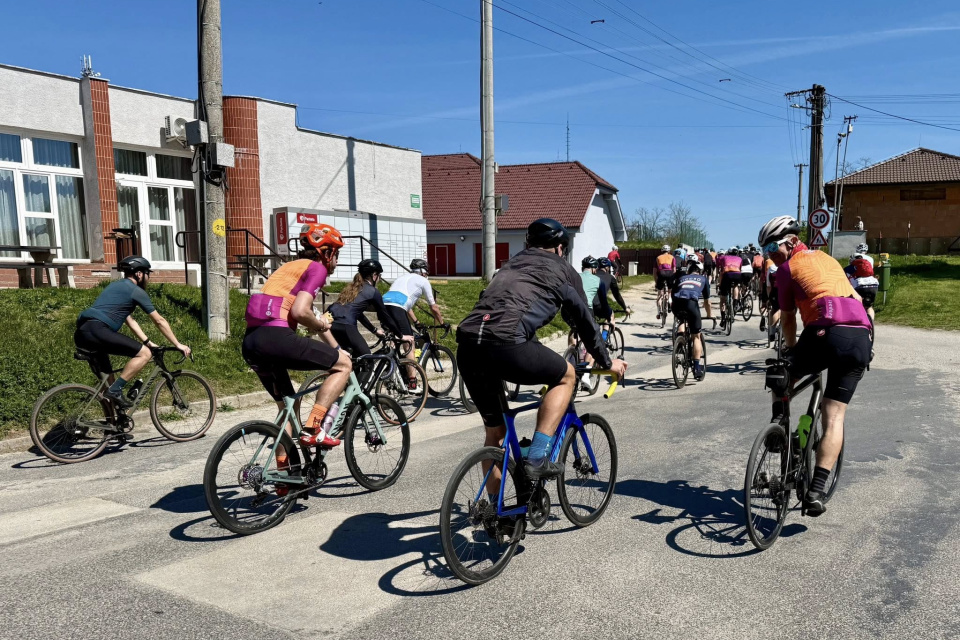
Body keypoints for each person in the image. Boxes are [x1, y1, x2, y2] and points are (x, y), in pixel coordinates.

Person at [457, 218, 628, 481]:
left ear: (529, 244)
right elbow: (583, 320)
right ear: (561, 248)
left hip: (469, 345)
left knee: (495, 436)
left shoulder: (510, 265)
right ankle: (536, 458)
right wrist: (606, 362)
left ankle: (495, 516)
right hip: (508, 343)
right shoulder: (563, 270)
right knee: (567, 375)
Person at [759, 215, 871, 517]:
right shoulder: (829, 260)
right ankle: (816, 493)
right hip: (860, 335)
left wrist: (793, 352)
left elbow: (786, 318)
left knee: (781, 375)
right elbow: (858, 298)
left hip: (824, 330)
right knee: (833, 417)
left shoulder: (787, 268)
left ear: (793, 241)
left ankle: (777, 429)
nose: (769, 253)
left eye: (772, 245)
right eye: (764, 249)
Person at [242, 223, 351, 462]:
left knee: (288, 406)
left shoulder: (289, 269)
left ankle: (283, 476)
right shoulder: (316, 269)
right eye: (336, 255)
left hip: (252, 342)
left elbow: (311, 316)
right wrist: (338, 351)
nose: (336, 262)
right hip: (276, 339)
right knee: (343, 366)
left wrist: (336, 348)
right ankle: (313, 429)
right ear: (327, 252)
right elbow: (303, 313)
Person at [74, 256, 192, 408]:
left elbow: (130, 321)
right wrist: (178, 344)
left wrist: (147, 342)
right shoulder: (135, 291)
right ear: (139, 274)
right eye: (147, 274)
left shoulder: (114, 287)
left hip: (83, 332)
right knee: (144, 354)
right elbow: (159, 321)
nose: (148, 278)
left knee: (108, 384)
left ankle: (113, 428)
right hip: (99, 331)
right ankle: (117, 390)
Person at [328, 259, 413, 370]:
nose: (379, 279)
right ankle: (358, 387)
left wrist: (374, 330)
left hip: (332, 323)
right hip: (346, 325)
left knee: (352, 360)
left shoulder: (352, 288)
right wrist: (401, 335)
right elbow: (384, 316)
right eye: (379, 275)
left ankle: (348, 384)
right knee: (367, 360)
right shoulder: (373, 291)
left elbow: (358, 314)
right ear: (374, 275)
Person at [671, 259, 712, 380]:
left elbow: (673, 294)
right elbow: (707, 302)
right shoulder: (703, 279)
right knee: (696, 336)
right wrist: (710, 315)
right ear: (700, 271)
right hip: (691, 304)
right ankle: (697, 368)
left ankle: (680, 340)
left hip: (677, 304)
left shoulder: (681, 278)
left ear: (689, 271)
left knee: (681, 318)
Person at [384, 258, 443, 335]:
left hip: (383, 304)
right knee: (409, 339)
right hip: (397, 307)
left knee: (394, 335)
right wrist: (442, 323)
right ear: (423, 272)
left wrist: (416, 322)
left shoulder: (401, 277)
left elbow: (405, 305)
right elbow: (433, 307)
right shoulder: (423, 280)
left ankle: (391, 346)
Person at [846, 256, 879, 323]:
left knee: (856, 305)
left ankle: (859, 324)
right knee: (869, 306)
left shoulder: (851, 267)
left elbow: (844, 278)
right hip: (874, 285)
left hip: (860, 286)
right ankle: (871, 325)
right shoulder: (867, 265)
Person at [717, 248, 742, 326]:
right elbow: (740, 268)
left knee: (722, 299)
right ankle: (735, 302)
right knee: (735, 286)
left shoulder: (724, 257)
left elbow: (718, 261)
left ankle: (723, 318)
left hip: (727, 274)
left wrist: (719, 284)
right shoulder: (739, 258)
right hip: (737, 274)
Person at [759, 252, 780, 343]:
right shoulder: (789, 265)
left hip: (774, 291)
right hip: (786, 291)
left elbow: (768, 286)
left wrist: (769, 298)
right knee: (789, 310)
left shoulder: (771, 267)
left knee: (774, 309)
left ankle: (771, 332)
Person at [653, 244, 677, 318]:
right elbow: (674, 270)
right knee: (669, 293)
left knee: (659, 294)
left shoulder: (658, 257)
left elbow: (654, 271)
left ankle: (658, 312)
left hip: (661, 274)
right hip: (670, 274)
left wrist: (656, 281)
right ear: (669, 251)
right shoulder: (672, 257)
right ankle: (669, 303)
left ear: (662, 250)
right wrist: (672, 278)